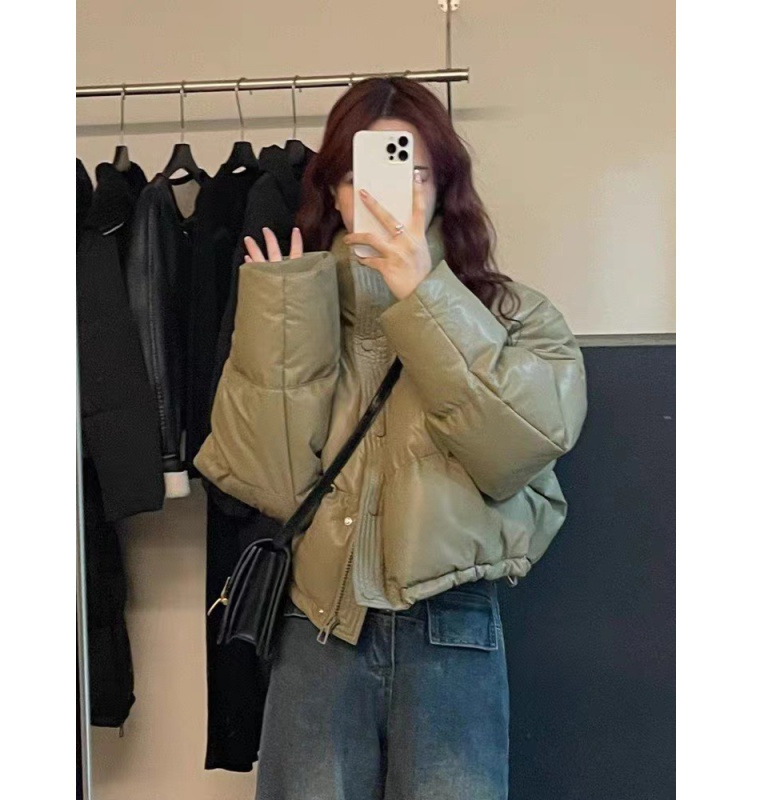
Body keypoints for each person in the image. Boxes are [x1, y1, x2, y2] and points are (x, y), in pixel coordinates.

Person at [194, 77, 588, 800]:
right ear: (333, 192)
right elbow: (270, 483)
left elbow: (516, 450)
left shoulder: (515, 316)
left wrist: (425, 296)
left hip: (451, 625)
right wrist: (284, 320)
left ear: (444, 187)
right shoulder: (296, 305)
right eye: (359, 174)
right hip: (315, 625)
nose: (384, 194)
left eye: (412, 172)